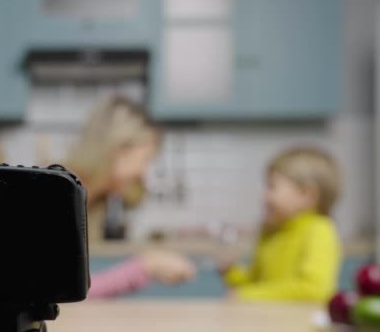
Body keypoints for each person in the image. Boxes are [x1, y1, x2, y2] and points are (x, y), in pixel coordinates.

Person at [63, 96, 196, 298]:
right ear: (119, 148)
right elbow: (60, 293)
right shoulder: (59, 195)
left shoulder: (88, 201)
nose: (144, 173)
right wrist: (145, 267)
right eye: (145, 160)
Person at [218, 147, 342, 302]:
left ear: (306, 194)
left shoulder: (319, 230)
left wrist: (246, 295)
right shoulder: (270, 231)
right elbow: (258, 284)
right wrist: (230, 272)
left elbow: (314, 289)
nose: (264, 195)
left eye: (272, 186)